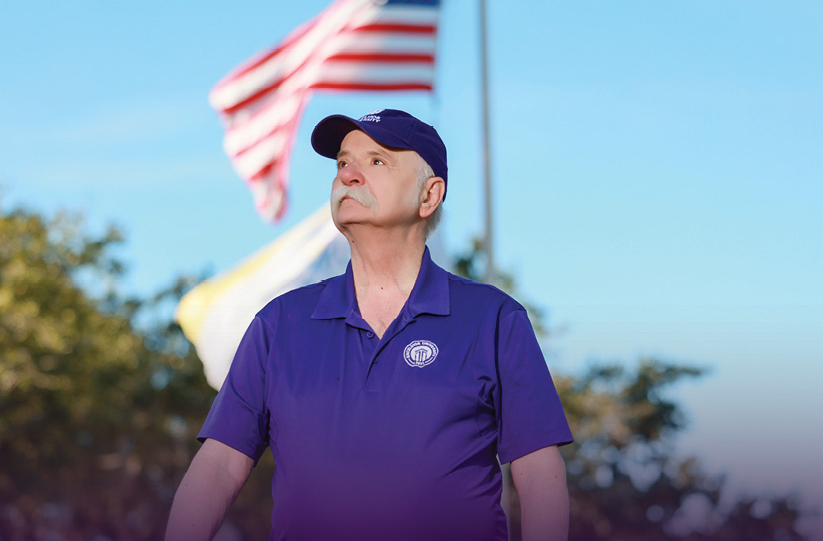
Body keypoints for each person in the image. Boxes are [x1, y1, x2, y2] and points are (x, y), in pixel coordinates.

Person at [166, 109, 573, 541]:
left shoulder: (493, 319)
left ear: (429, 195)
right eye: (343, 163)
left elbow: (538, 471)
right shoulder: (278, 324)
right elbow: (220, 464)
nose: (350, 175)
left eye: (377, 161)